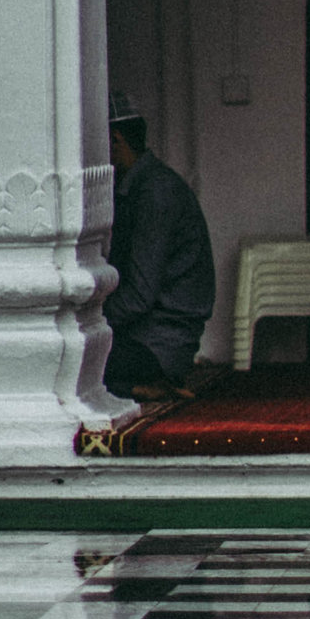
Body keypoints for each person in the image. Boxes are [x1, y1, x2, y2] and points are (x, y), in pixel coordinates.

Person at [102, 87, 215, 400]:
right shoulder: (143, 186)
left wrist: (87, 324)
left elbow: (138, 297)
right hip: (150, 341)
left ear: (115, 140)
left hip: (157, 347)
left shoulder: (155, 193)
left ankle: (142, 386)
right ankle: (136, 389)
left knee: (61, 362)